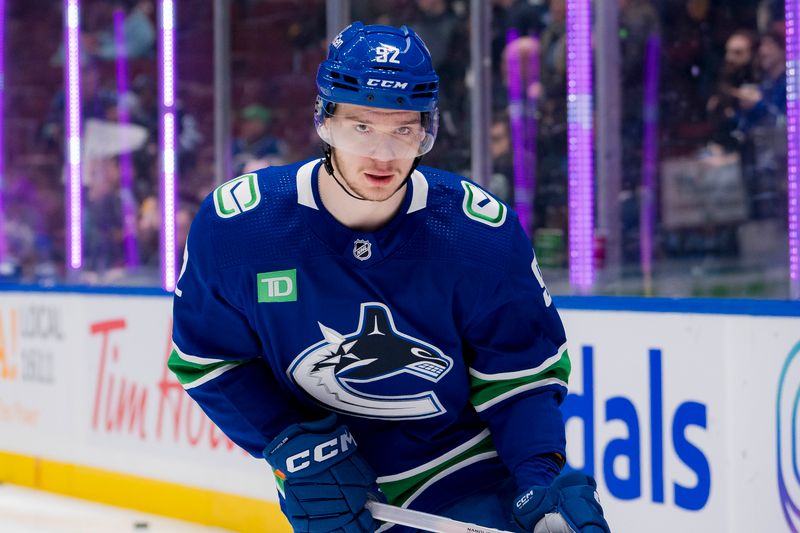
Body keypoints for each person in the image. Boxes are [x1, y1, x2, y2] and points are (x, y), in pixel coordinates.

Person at [170, 22, 609, 533]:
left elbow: (521, 377)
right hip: (333, 489)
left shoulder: (477, 233)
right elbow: (209, 358)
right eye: (362, 128)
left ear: (427, 129)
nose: (383, 155)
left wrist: (539, 481)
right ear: (325, 121)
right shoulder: (240, 228)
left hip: (466, 470)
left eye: (403, 130)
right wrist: (291, 442)